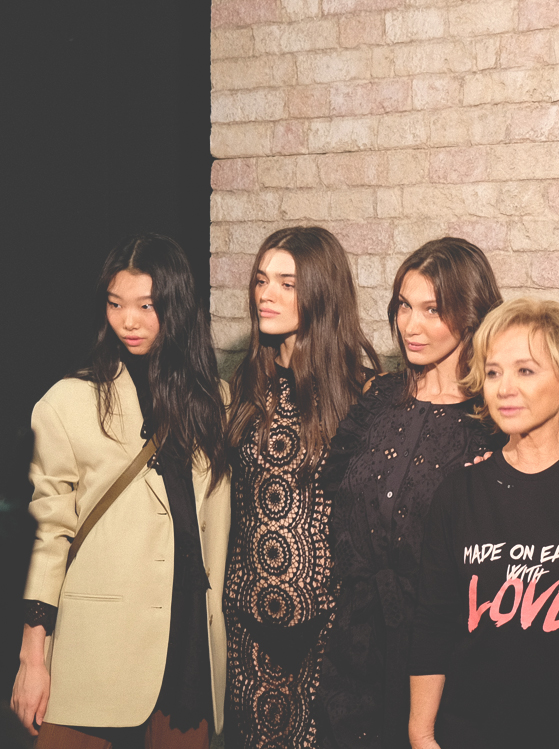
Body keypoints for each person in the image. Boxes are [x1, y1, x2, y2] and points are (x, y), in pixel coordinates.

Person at [11, 234, 230, 748]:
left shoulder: (213, 402)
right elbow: (49, 535)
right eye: (115, 304)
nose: (128, 321)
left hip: (188, 649)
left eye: (146, 306)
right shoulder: (69, 402)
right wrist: (32, 658)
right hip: (98, 649)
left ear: (176, 306)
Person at [409, 298, 559, 749]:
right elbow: (433, 624)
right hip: (471, 734)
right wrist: (422, 734)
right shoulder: (459, 493)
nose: (504, 388)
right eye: (493, 373)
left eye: (525, 371)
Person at [315, 238, 502, 749]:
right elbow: (333, 491)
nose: (410, 326)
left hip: (444, 653)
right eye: (404, 306)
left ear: (471, 314)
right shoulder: (378, 397)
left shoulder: (494, 417)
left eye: (432, 310)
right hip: (356, 644)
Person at [224, 227, 380, 749]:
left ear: (321, 292)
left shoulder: (364, 394)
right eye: (261, 280)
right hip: (248, 627)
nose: (266, 294)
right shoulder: (243, 386)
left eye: (286, 284)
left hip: (329, 630)